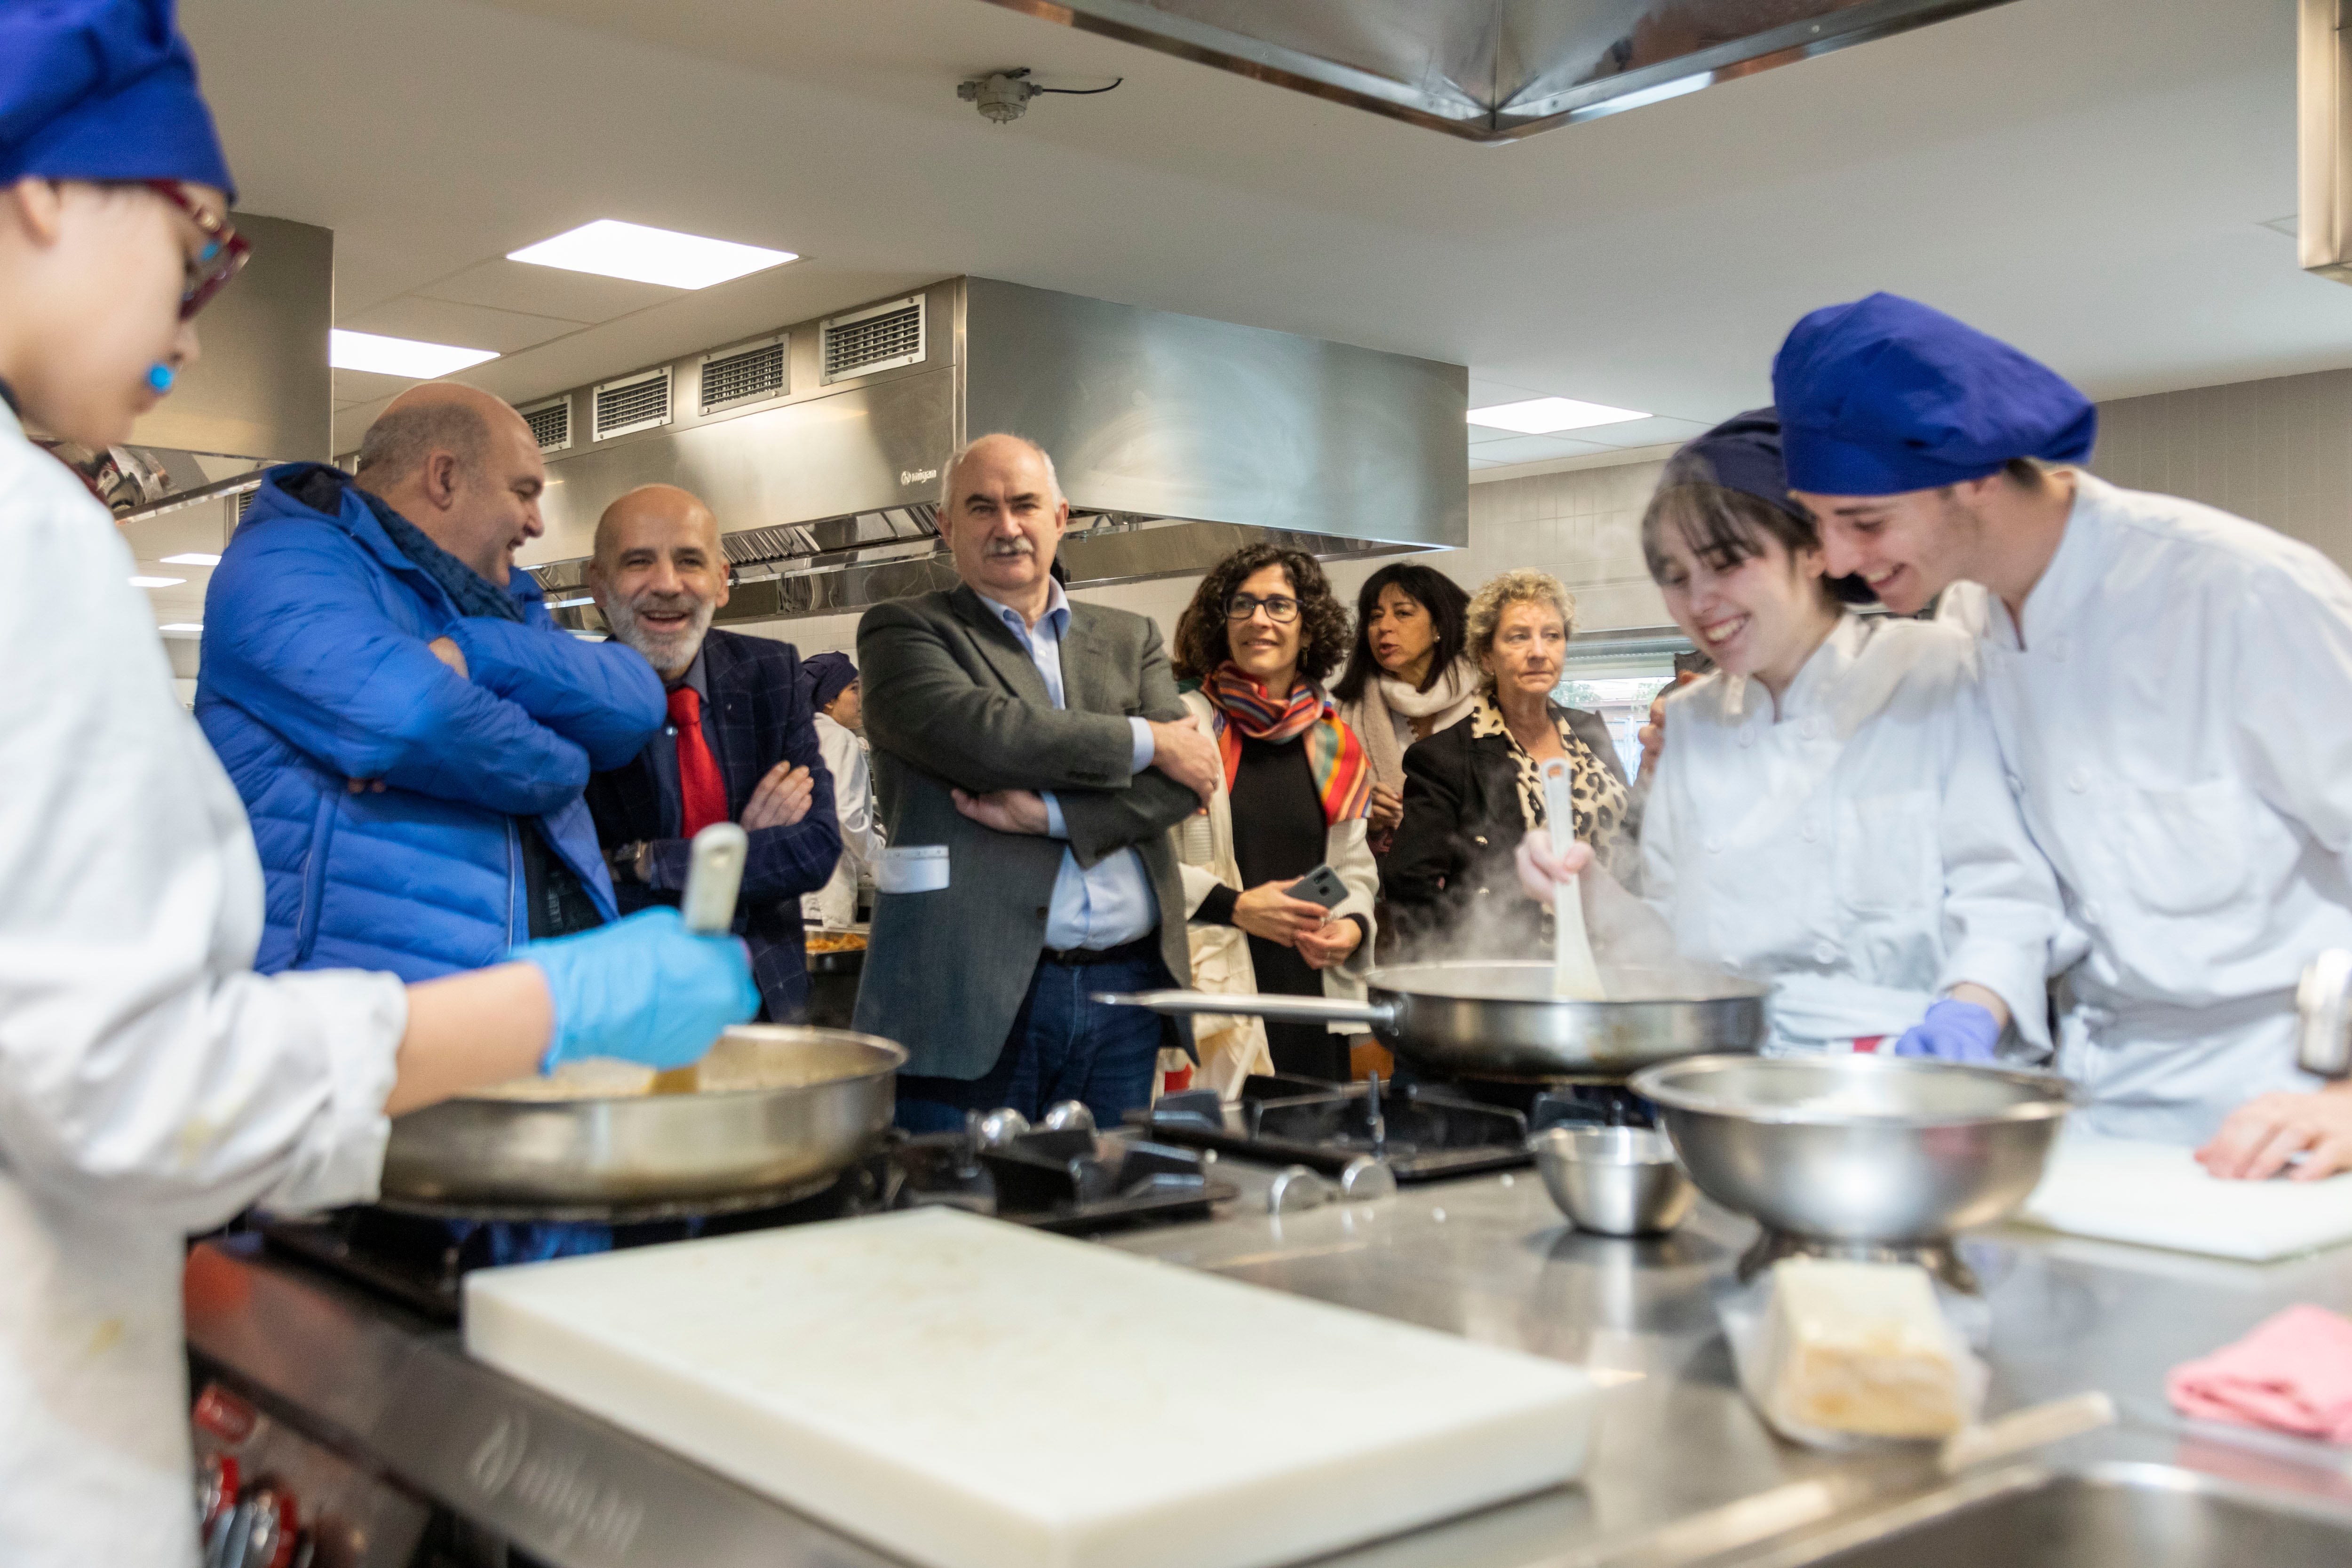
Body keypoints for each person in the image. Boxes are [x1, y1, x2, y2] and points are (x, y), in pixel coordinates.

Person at [0, 8, 756, 1562]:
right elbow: (130, 1090)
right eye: (199, 247)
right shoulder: (32, 534)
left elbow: (602, 704)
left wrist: (490, 683)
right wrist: (556, 1007)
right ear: (43, 197)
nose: (196, 327)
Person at [1771, 291, 2352, 1171]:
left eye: (1864, 521)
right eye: (1819, 520)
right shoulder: (1972, 619)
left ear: (1970, 473)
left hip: (2285, 1094)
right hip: (2095, 1082)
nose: (1839, 560)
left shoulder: (2238, 592)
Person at [1515, 412, 2061, 1059]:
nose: (1701, 600)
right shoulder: (1692, 723)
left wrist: (1969, 1019)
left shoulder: (1935, 670)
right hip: (1733, 1071)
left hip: (1910, 1061)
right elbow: (1678, 945)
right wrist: (1587, 894)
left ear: (1813, 550)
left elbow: (2006, 896)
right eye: (1675, 576)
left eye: (1727, 563)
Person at [199, 381, 665, 974]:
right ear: (444, 477)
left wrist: (474, 652)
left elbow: (634, 704)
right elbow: (411, 719)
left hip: (510, 1002)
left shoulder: (502, 605)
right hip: (347, 1010)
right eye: (523, 493)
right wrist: (571, 765)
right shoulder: (281, 561)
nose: (536, 523)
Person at [854, 434, 1222, 1128]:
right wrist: (1148, 740)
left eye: (1025, 505)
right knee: (967, 1219)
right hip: (970, 995)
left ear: (1062, 516)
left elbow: (1185, 783)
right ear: (947, 526)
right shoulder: (904, 632)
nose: (1007, 526)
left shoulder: (1129, 637)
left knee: (1105, 1212)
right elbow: (985, 735)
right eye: (982, 508)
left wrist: (1050, 818)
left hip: (1125, 995)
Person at [583, 484, 843, 1021]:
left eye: (689, 562)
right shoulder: (572, 696)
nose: (667, 585)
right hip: (631, 1007)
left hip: (765, 1005)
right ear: (599, 586)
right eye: (638, 562)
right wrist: (742, 849)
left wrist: (645, 861)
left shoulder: (770, 674)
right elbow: (579, 877)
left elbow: (814, 850)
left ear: (721, 581)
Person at [1171, 544, 1378, 1086]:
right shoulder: (1181, 728)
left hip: (1310, 995)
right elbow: (1142, 860)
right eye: (1242, 605)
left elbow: (1350, 871)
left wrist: (1352, 926)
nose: (1258, 619)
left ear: (1308, 630)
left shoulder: (1333, 739)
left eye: (1279, 606)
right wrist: (1236, 907)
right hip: (1215, 995)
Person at [1385, 570, 1633, 953]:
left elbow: (1634, 836)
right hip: (1515, 971)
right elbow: (1407, 882)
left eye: (1552, 636)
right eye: (1519, 637)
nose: (1538, 651)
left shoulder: (1590, 731)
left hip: (1617, 957)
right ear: (1487, 656)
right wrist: (1469, 957)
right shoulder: (1445, 757)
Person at [1330, 562, 1479, 854]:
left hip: (1488, 881)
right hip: (1390, 883)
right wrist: (1368, 820)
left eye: (1403, 613)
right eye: (1375, 617)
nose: (1384, 627)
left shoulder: (1488, 699)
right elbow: (1323, 825)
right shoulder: (1344, 716)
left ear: (1439, 626)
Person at [797, 651, 882, 930]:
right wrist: (882, 864)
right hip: (823, 895)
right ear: (829, 700)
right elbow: (846, 816)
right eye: (853, 689)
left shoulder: (792, 736)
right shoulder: (840, 739)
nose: (861, 699)